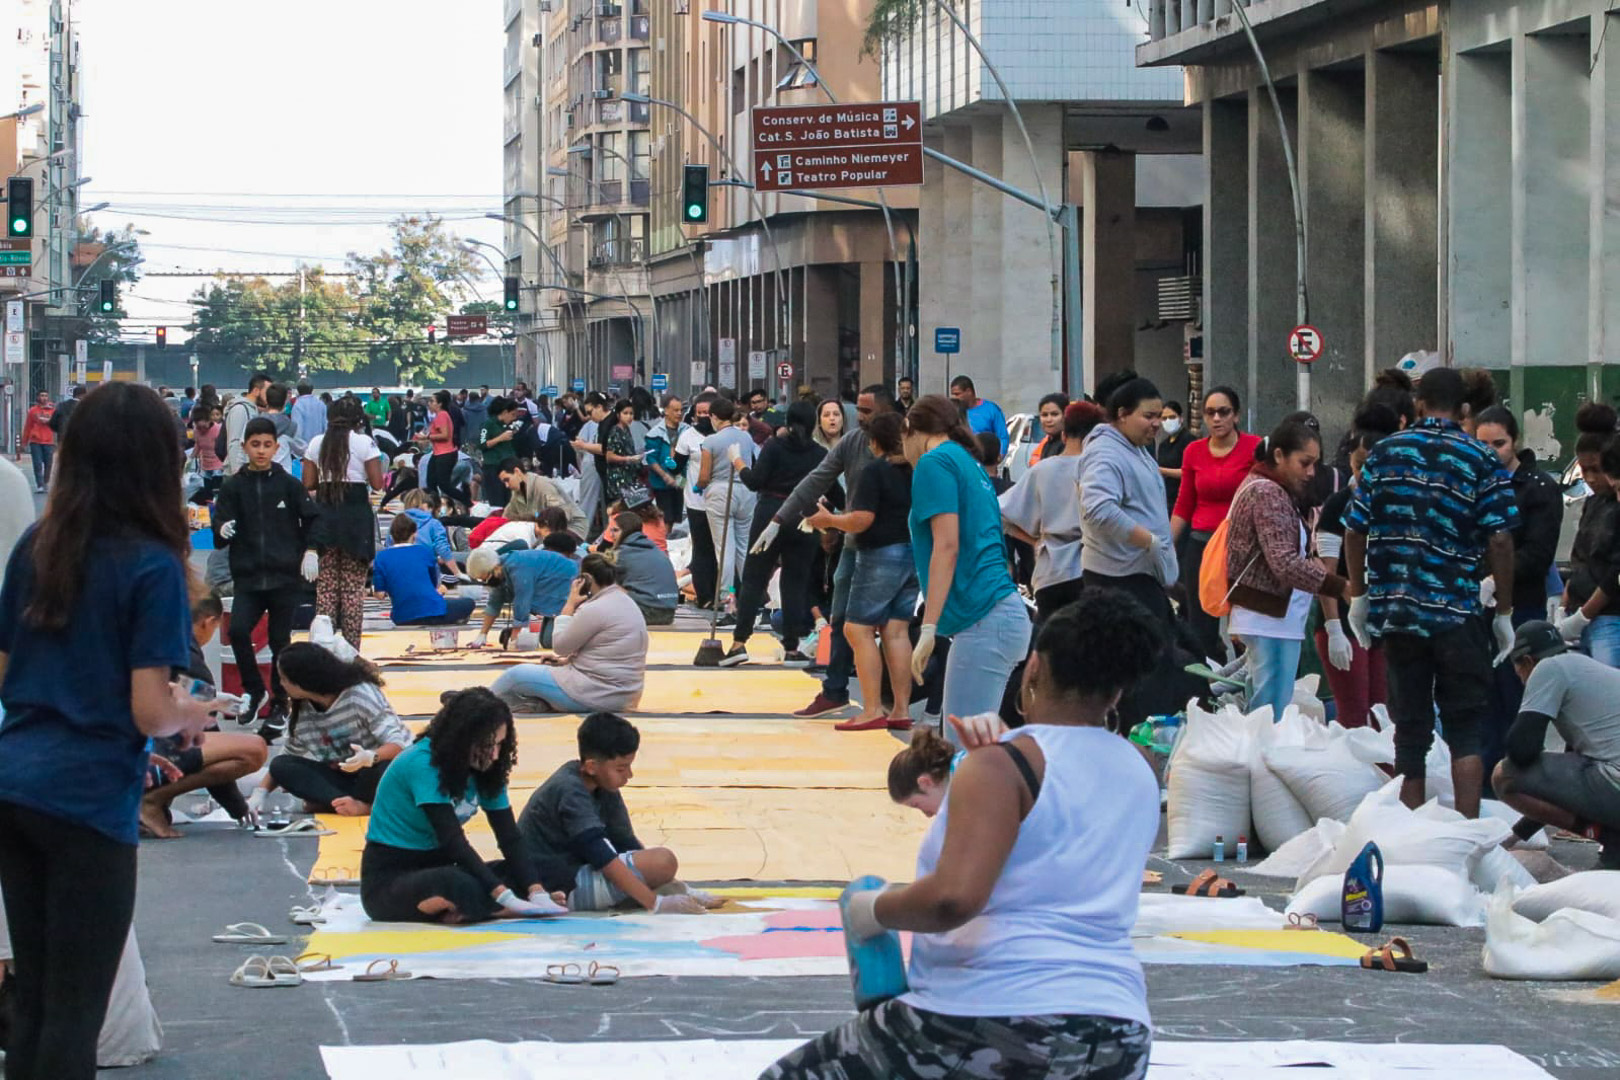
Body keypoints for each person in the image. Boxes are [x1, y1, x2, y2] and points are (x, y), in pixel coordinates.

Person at [763, 590, 1163, 1080]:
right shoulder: (1141, 769)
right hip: (1117, 1030)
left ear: (1033, 666)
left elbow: (953, 898)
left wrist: (871, 909)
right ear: (1118, 690)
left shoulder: (1005, 764)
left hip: (994, 1013)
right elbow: (1056, 850)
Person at [0, 382, 218, 1080]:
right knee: (75, 1012)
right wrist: (194, 711)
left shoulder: (39, 543)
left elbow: (5, 671)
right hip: (88, 796)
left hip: (15, 779)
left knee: (31, 1000)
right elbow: (151, 710)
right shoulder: (152, 564)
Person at [1345, 366, 1518, 819]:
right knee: (1466, 727)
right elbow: (1500, 539)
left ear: (1418, 406)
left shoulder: (1383, 455)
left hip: (1398, 612)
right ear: (1464, 410)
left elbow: (1354, 528)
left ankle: (1410, 832)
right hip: (1458, 614)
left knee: (1410, 731)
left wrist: (1359, 597)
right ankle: (1464, 830)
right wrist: (1503, 611)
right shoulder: (1480, 458)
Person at [361, 688, 563, 924]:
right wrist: (503, 894)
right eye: (488, 746)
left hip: (444, 864)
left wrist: (535, 889)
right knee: (457, 883)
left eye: (499, 745)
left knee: (549, 868)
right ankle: (497, 909)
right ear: (463, 740)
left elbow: (509, 836)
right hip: (393, 878)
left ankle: (468, 908)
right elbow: (453, 841)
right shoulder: (422, 764)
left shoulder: (488, 769)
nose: (495, 755)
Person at [768, 386, 899, 718]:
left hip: (892, 546)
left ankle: (891, 705)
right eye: (858, 411)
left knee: (888, 628)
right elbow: (818, 479)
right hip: (859, 543)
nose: (860, 417)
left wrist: (831, 521)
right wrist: (780, 518)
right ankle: (841, 691)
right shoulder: (854, 443)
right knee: (849, 622)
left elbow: (868, 514)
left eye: (867, 411)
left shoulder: (906, 450)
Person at [902, 396, 1031, 731]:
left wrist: (928, 627)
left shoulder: (935, 463)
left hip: (984, 619)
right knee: (976, 743)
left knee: (966, 749)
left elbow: (946, 546)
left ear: (911, 429)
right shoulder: (968, 462)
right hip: (998, 613)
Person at [517, 712, 715, 914]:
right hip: (556, 887)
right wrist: (655, 903)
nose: (629, 775)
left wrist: (673, 884)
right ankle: (649, 896)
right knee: (663, 861)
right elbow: (602, 855)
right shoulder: (569, 789)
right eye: (622, 768)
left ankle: (664, 891)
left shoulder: (603, 786)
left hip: (578, 874)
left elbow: (626, 842)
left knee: (658, 865)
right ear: (592, 766)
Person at [1224, 420, 1349, 719]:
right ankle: (1260, 763)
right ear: (1279, 455)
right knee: (1269, 713)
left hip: (1272, 617)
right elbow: (1284, 562)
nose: (1310, 473)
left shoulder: (1271, 489)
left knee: (1266, 706)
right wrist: (1338, 586)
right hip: (1269, 620)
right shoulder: (1267, 493)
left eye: (1315, 464)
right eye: (1304, 463)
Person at [1077, 371, 1178, 733]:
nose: (1157, 424)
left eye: (1160, 416)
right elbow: (1098, 509)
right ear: (1121, 414)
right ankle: (1135, 743)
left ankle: (1142, 742)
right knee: (1138, 672)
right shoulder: (1105, 452)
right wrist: (1147, 540)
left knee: (1157, 666)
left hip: (1142, 575)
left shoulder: (1135, 449)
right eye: (1149, 416)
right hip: (1120, 579)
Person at [803, 411, 917, 730]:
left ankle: (871, 709)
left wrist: (829, 521)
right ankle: (900, 709)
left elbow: (862, 519)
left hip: (880, 553)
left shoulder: (874, 471)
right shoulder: (917, 470)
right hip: (914, 553)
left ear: (874, 443)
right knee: (896, 630)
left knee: (858, 629)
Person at [213, 417, 321, 736]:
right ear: (244, 447)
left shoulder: (288, 483)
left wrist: (311, 550)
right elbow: (219, 530)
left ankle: (279, 704)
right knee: (238, 630)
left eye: (267, 445)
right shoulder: (233, 485)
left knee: (278, 640)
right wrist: (222, 528)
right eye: (255, 444)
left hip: (284, 577)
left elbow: (312, 519)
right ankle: (254, 689)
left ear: (277, 447)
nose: (261, 451)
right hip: (248, 576)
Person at [1474, 405, 1563, 778]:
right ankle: (1488, 786)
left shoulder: (1538, 488)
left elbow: (1538, 553)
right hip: (1479, 606)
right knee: (1481, 700)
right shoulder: (1473, 483)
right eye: (1483, 444)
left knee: (1515, 699)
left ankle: (1516, 783)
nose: (1492, 452)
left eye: (1500, 444)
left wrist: (1497, 579)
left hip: (1522, 607)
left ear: (1515, 443)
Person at [138, 591, 268, 839]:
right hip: (143, 752)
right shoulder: (185, 652)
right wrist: (237, 807)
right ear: (209, 622)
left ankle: (152, 799)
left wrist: (209, 699)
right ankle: (152, 801)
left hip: (111, 747)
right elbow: (205, 733)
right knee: (254, 749)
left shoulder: (153, 635)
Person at [1497, 622, 1620, 870]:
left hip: (1614, 781)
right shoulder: (1586, 669)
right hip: (1610, 779)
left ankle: (1611, 838)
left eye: (1518, 671)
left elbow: (1521, 750)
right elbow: (1560, 791)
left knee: (1504, 775)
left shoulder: (1548, 668)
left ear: (1528, 662)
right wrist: (1515, 836)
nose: (1521, 680)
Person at [249, 643, 413, 818]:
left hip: (377, 768)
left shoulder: (359, 695)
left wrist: (370, 757)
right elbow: (288, 756)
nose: (281, 684)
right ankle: (343, 802)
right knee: (282, 766)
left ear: (301, 681)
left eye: (284, 678)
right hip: (344, 778)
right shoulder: (303, 710)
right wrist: (259, 795)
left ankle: (364, 806)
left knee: (388, 768)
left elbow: (399, 745)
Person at [717, 400, 825, 667]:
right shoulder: (820, 453)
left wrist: (738, 461)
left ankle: (740, 643)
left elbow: (755, 482)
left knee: (755, 578)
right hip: (805, 518)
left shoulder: (775, 447)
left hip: (771, 515)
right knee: (795, 584)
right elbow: (834, 490)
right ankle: (791, 647)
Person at [1313, 403, 1399, 729]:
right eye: (1358, 465)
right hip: (1344, 622)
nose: (1363, 474)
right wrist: (1334, 627)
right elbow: (1327, 572)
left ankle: (1385, 777)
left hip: (1382, 620)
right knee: (1354, 714)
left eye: (1371, 466)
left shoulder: (1393, 503)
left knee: (1382, 714)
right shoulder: (1338, 505)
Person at [1171, 386, 1262, 662]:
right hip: (1202, 546)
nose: (1217, 419)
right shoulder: (1194, 452)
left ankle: (1250, 686)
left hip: (1244, 548)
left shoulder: (1254, 447)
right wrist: (1163, 546)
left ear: (1236, 416)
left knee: (1245, 627)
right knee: (1201, 626)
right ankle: (1209, 688)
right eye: (1210, 413)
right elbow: (1184, 504)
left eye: (1224, 412)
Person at [490, 553, 649, 713]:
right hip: (625, 695)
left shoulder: (596, 608)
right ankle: (537, 704)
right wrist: (565, 662)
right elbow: (605, 653)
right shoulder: (627, 602)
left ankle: (478, 709)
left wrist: (569, 606)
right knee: (530, 686)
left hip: (597, 694)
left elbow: (560, 646)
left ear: (585, 579)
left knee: (516, 675)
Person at [1000, 401, 1108, 621]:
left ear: (1064, 435)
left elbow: (999, 514)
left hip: (1052, 571)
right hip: (1096, 568)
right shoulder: (1103, 471)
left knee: (1053, 643)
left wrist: (1034, 540)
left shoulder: (1042, 470)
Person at [303, 397, 386, 650]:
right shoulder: (364, 443)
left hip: (326, 512)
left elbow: (308, 483)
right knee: (352, 589)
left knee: (326, 587)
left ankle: (323, 649)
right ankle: (350, 651)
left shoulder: (317, 443)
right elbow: (377, 483)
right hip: (356, 518)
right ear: (358, 419)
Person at [1554, 403, 1620, 664]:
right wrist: (1563, 606)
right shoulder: (1593, 504)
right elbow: (1579, 560)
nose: (1591, 479)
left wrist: (1585, 615)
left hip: (1608, 616)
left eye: (1597, 470)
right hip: (1581, 613)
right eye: (1585, 470)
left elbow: (1615, 573)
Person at [466, 531, 583, 648]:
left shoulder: (518, 565)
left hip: (564, 582)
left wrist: (515, 637)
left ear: (496, 568)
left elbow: (522, 601)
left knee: (552, 642)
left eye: (486, 579)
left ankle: (582, 631)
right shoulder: (500, 569)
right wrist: (482, 635)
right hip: (552, 584)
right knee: (547, 641)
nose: (487, 583)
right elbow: (494, 603)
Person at [697, 398, 758, 603]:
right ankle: (752, 594)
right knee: (743, 547)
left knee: (724, 548)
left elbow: (704, 476)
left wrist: (699, 486)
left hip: (720, 493)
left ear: (714, 417)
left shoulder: (710, 441)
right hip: (746, 492)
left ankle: (726, 596)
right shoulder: (746, 437)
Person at [373, 516, 478, 627]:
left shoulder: (381, 557)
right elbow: (436, 586)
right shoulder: (424, 551)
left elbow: (379, 594)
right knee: (468, 602)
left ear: (391, 536)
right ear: (414, 534)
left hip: (401, 617)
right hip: (433, 611)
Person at [678, 393, 718, 606]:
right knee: (702, 550)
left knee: (722, 550)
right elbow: (674, 465)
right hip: (696, 502)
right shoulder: (687, 437)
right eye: (699, 413)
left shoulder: (724, 435)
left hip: (721, 503)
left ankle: (726, 592)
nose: (703, 417)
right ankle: (705, 596)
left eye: (708, 413)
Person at [606, 512, 679, 625]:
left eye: (615, 530)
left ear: (626, 531)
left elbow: (602, 580)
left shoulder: (621, 553)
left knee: (606, 585)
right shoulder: (655, 550)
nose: (611, 535)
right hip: (669, 613)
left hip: (647, 612)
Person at [499, 459, 588, 539]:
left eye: (507, 480)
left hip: (571, 527)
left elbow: (562, 515)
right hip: (545, 531)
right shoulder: (516, 493)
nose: (506, 485)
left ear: (517, 471)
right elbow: (506, 517)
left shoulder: (543, 485)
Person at [886, 725, 957, 817]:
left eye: (917, 805)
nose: (928, 815)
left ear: (925, 783)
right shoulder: (959, 772)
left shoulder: (968, 784)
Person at [644, 394, 689, 526]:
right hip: (661, 482)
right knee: (666, 518)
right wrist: (664, 475)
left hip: (681, 480)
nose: (679, 413)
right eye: (675, 410)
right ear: (666, 411)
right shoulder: (655, 433)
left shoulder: (686, 430)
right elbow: (651, 458)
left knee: (678, 517)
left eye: (681, 410)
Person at [570, 393, 610, 535]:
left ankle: (582, 534)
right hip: (597, 466)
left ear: (599, 407)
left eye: (590, 412)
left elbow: (581, 447)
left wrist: (583, 447)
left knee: (591, 503)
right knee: (601, 504)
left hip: (597, 465)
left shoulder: (598, 424)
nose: (589, 415)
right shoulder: (597, 424)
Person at [419, 391, 468, 506]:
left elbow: (445, 435)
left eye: (432, 401)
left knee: (444, 485)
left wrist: (428, 437)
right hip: (437, 453)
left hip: (445, 453)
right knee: (431, 482)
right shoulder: (439, 416)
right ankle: (435, 505)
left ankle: (467, 502)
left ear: (439, 404)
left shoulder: (442, 415)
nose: (429, 404)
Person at [948, 375, 1008, 457]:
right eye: (953, 395)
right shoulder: (952, 410)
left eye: (957, 394)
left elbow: (1002, 436)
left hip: (985, 459)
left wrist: (999, 455)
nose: (954, 398)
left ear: (969, 392)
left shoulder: (991, 409)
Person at [223, 372, 271, 475]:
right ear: (256, 390)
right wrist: (238, 474)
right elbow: (234, 443)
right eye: (267, 392)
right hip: (238, 474)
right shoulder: (240, 410)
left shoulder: (253, 410)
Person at [601, 398, 646, 507]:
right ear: (618, 415)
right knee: (622, 512)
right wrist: (628, 459)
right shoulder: (615, 431)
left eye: (631, 413)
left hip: (629, 477)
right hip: (619, 479)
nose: (629, 416)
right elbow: (609, 456)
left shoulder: (626, 430)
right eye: (625, 413)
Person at [1157, 400, 1190, 511]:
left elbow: (1189, 472)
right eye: (1164, 418)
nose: (1168, 421)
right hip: (1166, 500)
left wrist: (1162, 471)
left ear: (1181, 418)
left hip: (1183, 500)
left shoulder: (1189, 441)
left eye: (1172, 417)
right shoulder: (1163, 445)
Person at [20, 391, 54, 493]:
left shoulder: (53, 410)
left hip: (48, 441)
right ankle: (40, 485)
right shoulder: (33, 411)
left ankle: (45, 482)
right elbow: (28, 426)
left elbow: (57, 423)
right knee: (37, 463)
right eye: (42, 396)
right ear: (38, 397)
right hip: (35, 441)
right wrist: (24, 442)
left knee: (48, 463)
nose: (44, 398)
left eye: (46, 396)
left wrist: (49, 421)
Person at [1029, 392, 1070, 463]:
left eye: (1054, 414)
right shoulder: (1046, 444)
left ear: (1065, 415)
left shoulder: (1070, 444)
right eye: (1044, 415)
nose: (1049, 420)